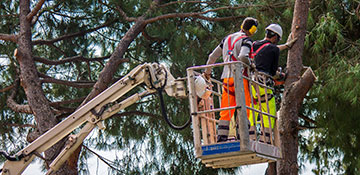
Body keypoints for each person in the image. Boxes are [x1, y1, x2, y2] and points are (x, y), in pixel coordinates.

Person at [204, 17, 258, 142]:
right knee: (245, 106)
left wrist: (207, 73)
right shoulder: (246, 40)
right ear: (252, 29)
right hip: (240, 77)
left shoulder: (227, 39)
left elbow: (212, 57)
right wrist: (252, 66)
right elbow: (243, 56)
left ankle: (222, 137)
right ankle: (242, 136)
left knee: (226, 108)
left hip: (227, 78)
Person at [249, 23, 296, 143]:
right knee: (269, 111)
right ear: (275, 37)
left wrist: (285, 46)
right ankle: (266, 139)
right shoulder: (274, 49)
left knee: (253, 109)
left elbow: (266, 49)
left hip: (251, 82)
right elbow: (273, 72)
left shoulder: (254, 45)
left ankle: (251, 136)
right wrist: (282, 76)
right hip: (263, 83)